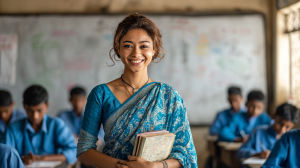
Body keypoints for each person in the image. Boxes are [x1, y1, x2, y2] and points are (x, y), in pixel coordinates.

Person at [76, 13, 198, 168]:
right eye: (128, 45)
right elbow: (84, 150)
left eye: (144, 46)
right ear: (117, 48)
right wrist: (121, 165)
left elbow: (185, 154)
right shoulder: (101, 94)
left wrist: (155, 166)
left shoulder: (169, 96)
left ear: (154, 49)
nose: (136, 53)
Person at [1, 85, 77, 165]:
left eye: (39, 110)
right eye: (30, 110)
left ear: (47, 106)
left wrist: (44, 158)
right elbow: (4, 155)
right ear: (24, 106)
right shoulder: (13, 128)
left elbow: (74, 151)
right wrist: (20, 160)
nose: (35, 116)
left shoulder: (57, 125)